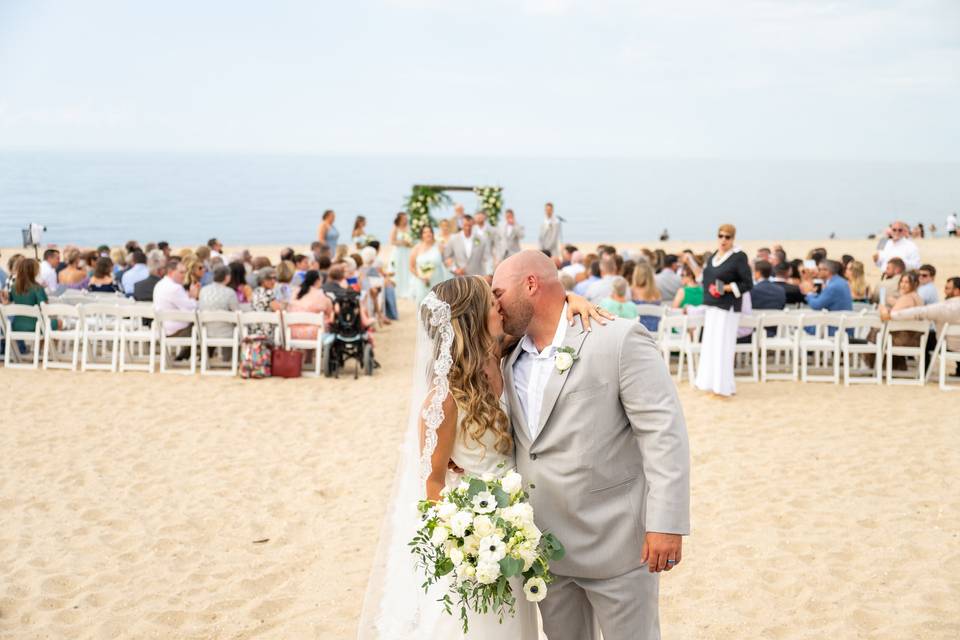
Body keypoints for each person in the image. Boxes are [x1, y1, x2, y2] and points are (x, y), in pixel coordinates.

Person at [492, 251, 690, 640]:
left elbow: (663, 433)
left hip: (616, 544)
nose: (494, 303)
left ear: (531, 284)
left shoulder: (618, 338)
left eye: (499, 291)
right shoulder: (505, 352)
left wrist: (666, 523)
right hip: (543, 547)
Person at [695, 224, 753, 396]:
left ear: (733, 239)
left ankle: (723, 386)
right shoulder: (713, 256)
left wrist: (727, 288)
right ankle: (708, 383)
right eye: (720, 236)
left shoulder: (739, 257)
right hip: (712, 306)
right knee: (710, 345)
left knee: (723, 346)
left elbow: (747, 283)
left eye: (727, 237)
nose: (723, 240)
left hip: (728, 308)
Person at [892, 276, 960, 374]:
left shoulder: (945, 308)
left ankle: (923, 372)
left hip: (949, 346)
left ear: (957, 291)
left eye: (947, 288)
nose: (944, 291)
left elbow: (920, 312)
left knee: (926, 338)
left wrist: (892, 315)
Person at [153, 260, 199, 339]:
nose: (184, 275)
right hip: (174, 330)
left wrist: (189, 296)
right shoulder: (175, 288)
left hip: (162, 327)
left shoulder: (160, 284)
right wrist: (193, 297)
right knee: (205, 328)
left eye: (185, 272)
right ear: (171, 272)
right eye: (181, 272)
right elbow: (191, 309)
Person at [198, 265, 240, 351]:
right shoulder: (230, 292)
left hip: (206, 332)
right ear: (227, 277)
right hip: (227, 333)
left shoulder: (203, 290)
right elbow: (237, 313)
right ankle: (231, 358)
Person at [286, 270, 333, 340]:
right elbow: (330, 312)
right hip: (313, 334)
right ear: (317, 281)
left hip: (292, 332)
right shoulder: (320, 295)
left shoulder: (295, 292)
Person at [8, 258, 48, 339]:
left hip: (17, 326)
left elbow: (9, 300)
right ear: (34, 271)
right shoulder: (37, 288)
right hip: (35, 325)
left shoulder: (13, 287)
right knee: (59, 323)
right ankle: (44, 349)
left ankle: (39, 348)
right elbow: (45, 307)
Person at [409, 226, 447, 306]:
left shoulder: (439, 246)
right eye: (425, 232)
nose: (428, 234)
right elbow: (411, 267)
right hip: (422, 282)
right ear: (421, 235)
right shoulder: (416, 248)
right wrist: (420, 276)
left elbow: (447, 261)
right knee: (423, 305)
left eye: (430, 232)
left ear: (433, 233)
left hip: (438, 280)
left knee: (438, 303)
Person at [389, 212, 414, 299]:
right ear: (399, 219)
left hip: (407, 252)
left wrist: (409, 243)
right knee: (399, 269)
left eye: (406, 218)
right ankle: (399, 290)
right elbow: (392, 241)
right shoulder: (396, 228)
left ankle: (408, 290)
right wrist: (402, 242)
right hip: (399, 252)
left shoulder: (409, 227)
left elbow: (412, 240)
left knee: (407, 269)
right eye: (404, 218)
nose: (405, 220)